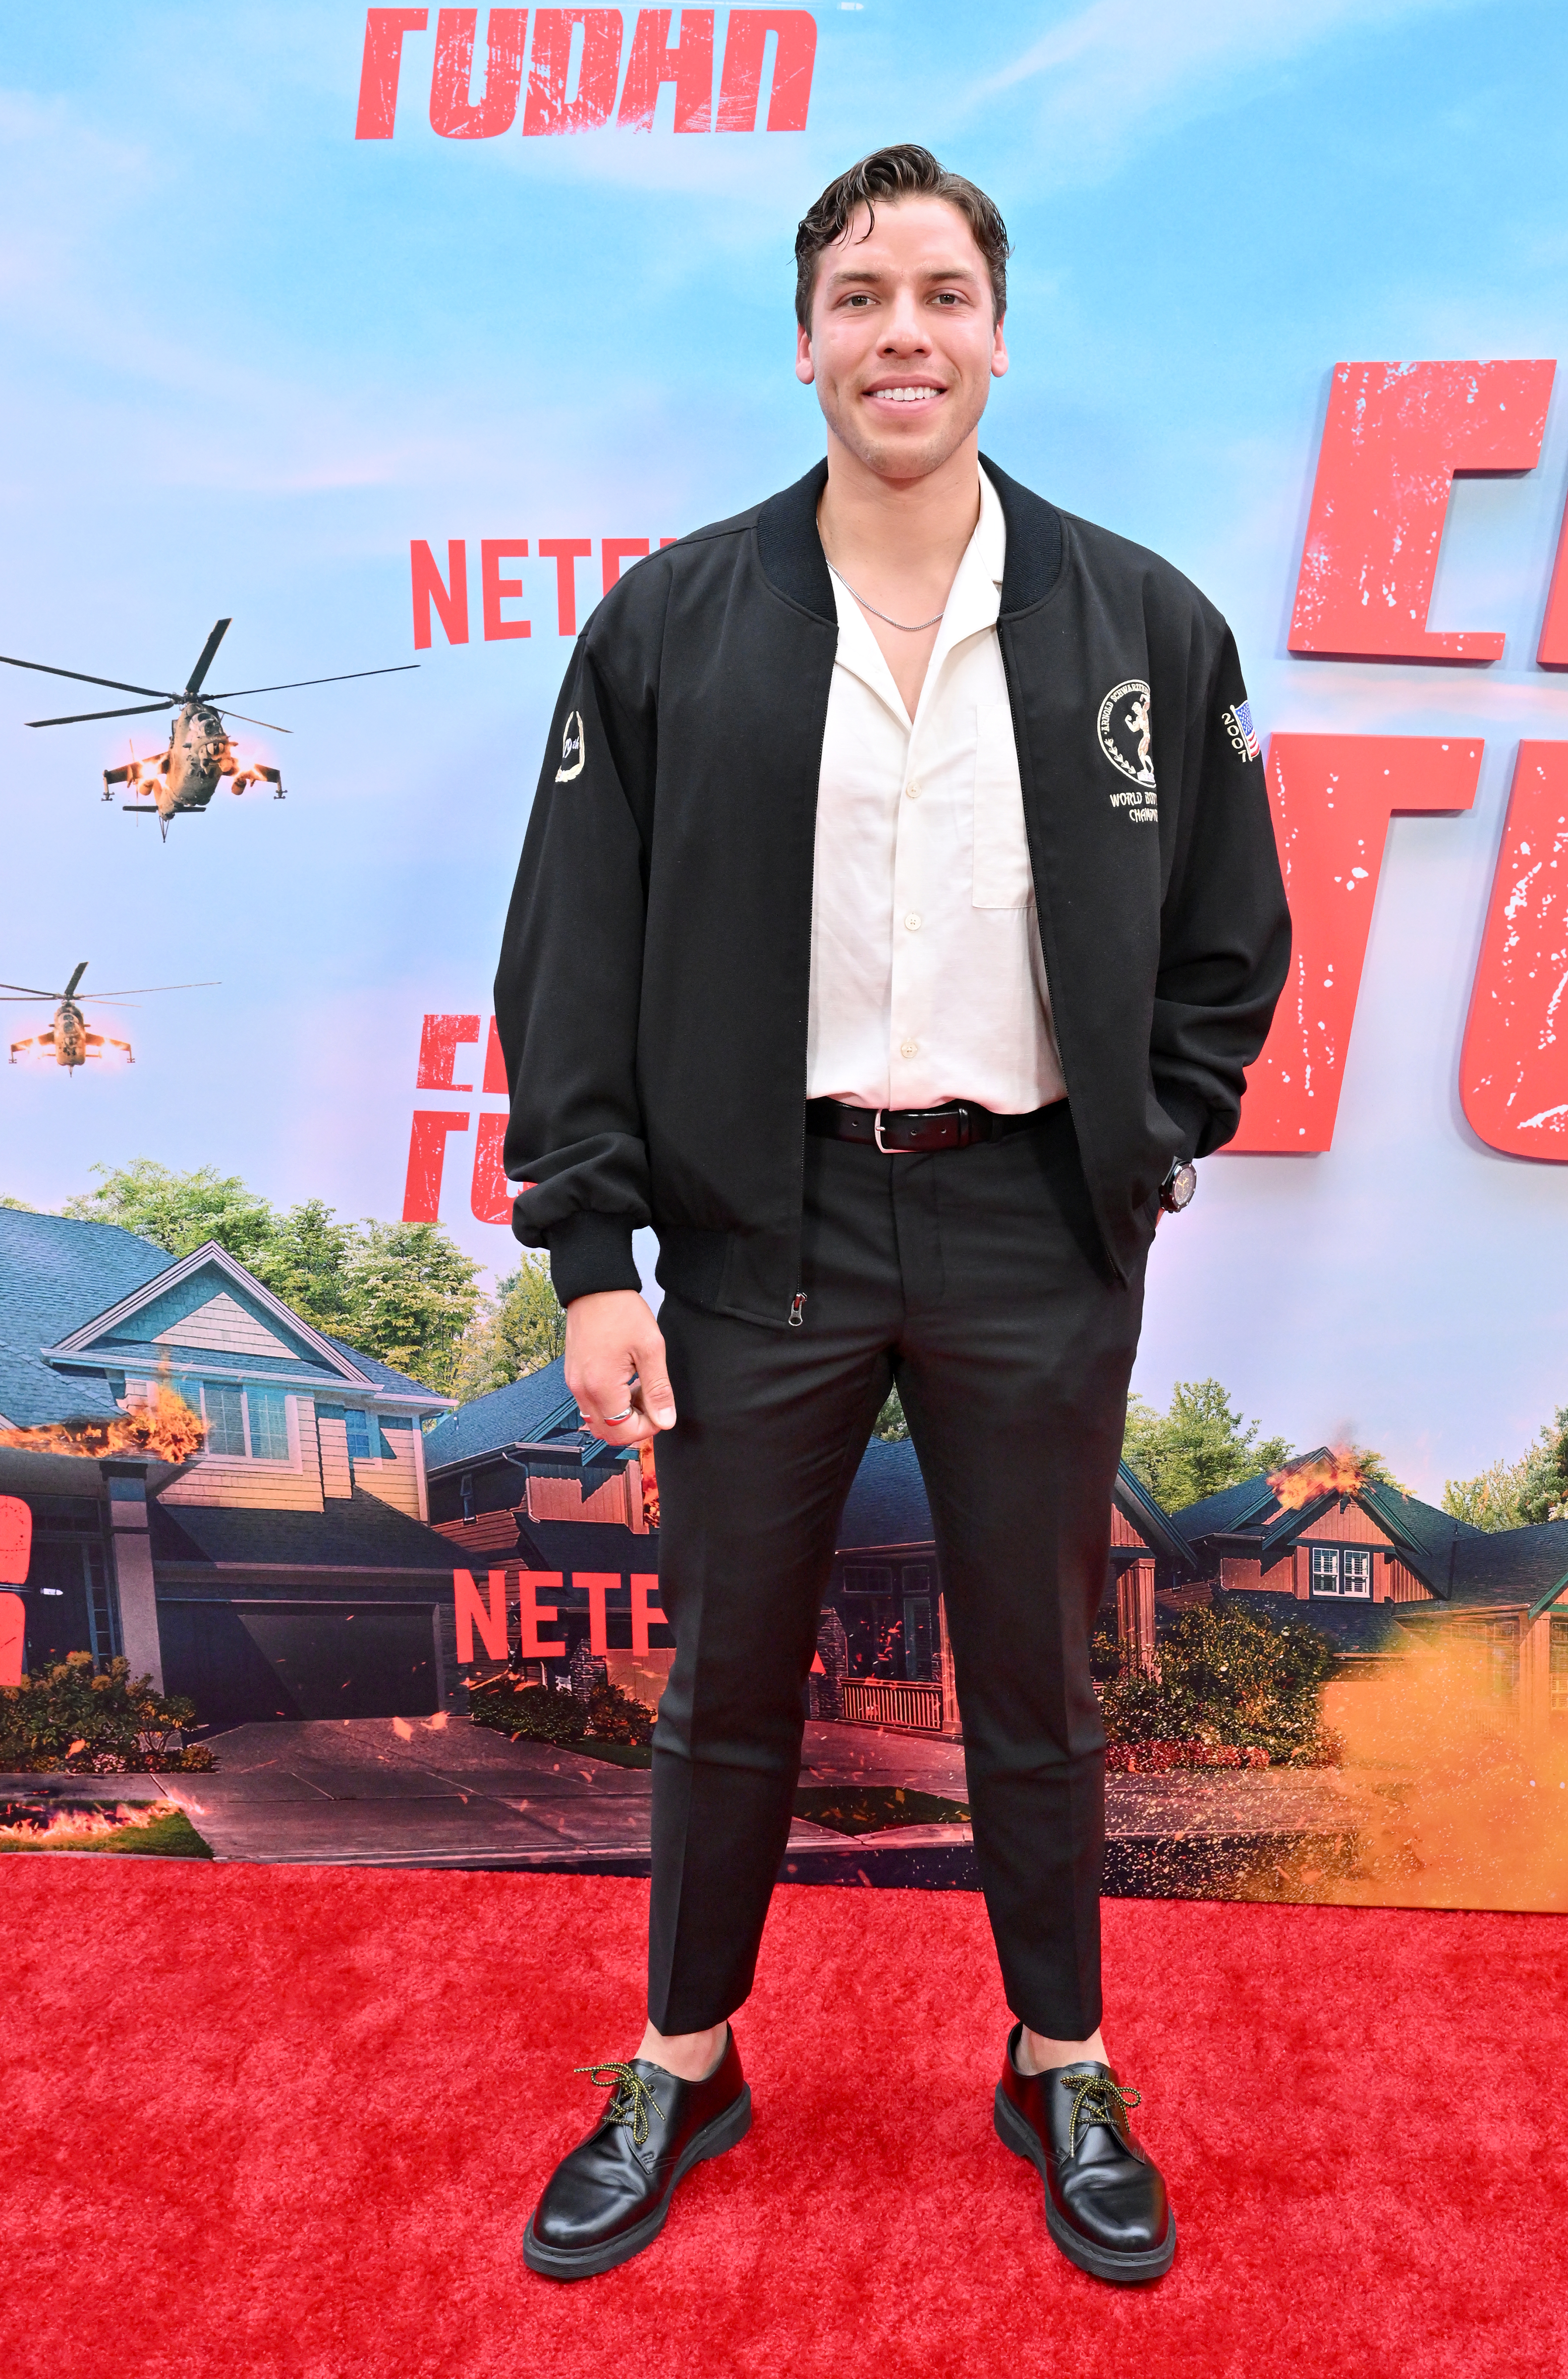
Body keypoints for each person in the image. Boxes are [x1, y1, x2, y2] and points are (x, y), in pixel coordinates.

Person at [494, 143, 1289, 2287]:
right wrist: (592, 1255)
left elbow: (1234, 931)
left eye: (940, 293)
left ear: (999, 333)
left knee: (1038, 1676)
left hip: (1034, 1221)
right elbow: (573, 952)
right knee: (724, 1680)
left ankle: (1059, 2059)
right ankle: (684, 2055)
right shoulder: (675, 619)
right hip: (768, 1228)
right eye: (860, 297)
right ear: (806, 342)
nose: (902, 333)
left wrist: (1149, 1139)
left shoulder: (1141, 618)